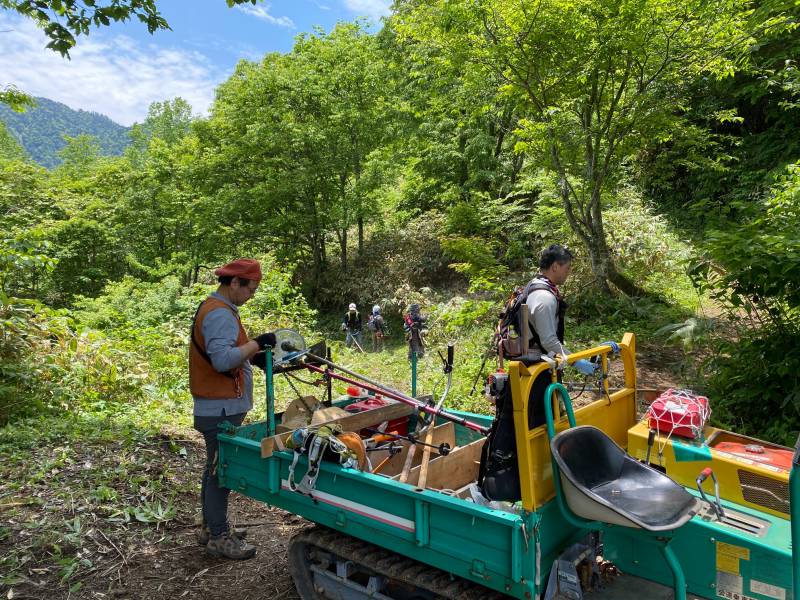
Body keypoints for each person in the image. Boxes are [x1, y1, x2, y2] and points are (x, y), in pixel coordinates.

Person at [189, 258, 276, 560]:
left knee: (213, 467)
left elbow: (230, 353)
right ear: (235, 283)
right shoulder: (219, 315)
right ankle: (219, 536)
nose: (252, 294)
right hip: (219, 409)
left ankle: (211, 526)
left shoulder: (222, 310)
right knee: (220, 472)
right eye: (251, 288)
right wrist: (257, 344)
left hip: (220, 404)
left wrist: (253, 357)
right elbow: (222, 360)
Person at [524, 244, 597, 428]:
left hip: (537, 362)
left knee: (546, 412)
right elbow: (548, 340)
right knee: (542, 417)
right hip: (540, 368)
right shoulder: (544, 297)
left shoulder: (534, 285)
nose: (568, 273)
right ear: (555, 266)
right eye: (567, 268)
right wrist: (575, 361)